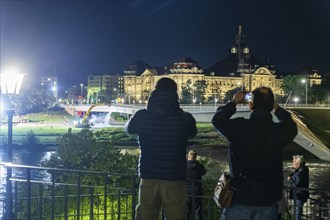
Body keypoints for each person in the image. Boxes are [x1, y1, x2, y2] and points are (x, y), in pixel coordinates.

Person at [212, 87, 298, 220]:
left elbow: (218, 120)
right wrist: (277, 109)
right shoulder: (279, 132)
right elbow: (292, 126)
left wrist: (234, 102)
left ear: (251, 104)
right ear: (271, 106)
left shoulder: (240, 128)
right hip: (267, 200)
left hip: (241, 196)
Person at [125, 77, 197, 220]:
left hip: (148, 176)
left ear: (154, 92)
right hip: (174, 178)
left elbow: (128, 128)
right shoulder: (184, 118)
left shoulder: (142, 116)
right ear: (175, 94)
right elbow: (192, 133)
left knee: (145, 216)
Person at [186, 149, 207, 220]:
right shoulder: (199, 166)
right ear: (195, 157)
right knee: (197, 209)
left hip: (186, 190)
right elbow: (204, 173)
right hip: (197, 190)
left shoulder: (184, 165)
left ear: (188, 156)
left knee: (186, 210)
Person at [287, 155, 309, 220]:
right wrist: (292, 175)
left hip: (299, 195)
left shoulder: (301, 172)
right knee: (297, 211)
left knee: (297, 212)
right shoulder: (303, 168)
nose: (292, 163)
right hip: (300, 194)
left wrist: (291, 178)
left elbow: (298, 179)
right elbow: (297, 174)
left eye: (293, 162)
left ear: (298, 164)